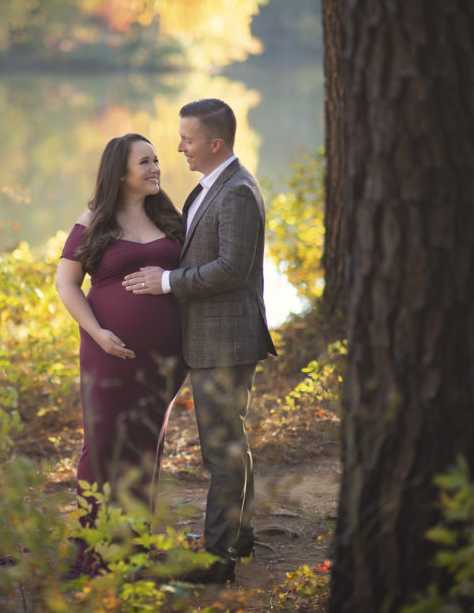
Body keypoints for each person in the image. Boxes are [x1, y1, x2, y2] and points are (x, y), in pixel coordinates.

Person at [122, 99, 277, 584]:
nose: (179, 147)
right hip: (212, 339)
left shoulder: (236, 193)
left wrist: (166, 282)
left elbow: (232, 268)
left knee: (221, 451)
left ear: (216, 144)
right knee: (230, 444)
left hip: (227, 342)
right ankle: (239, 538)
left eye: (187, 139)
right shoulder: (209, 188)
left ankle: (217, 559)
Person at [55, 132, 188, 578]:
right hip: (107, 352)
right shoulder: (94, 220)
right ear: (121, 172)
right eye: (145, 162)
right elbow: (66, 284)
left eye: (156, 160)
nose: (156, 169)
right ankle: (91, 549)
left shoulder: (171, 218)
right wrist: (97, 333)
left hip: (166, 360)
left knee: (145, 446)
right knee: (103, 444)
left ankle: (133, 546)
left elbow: (193, 275)